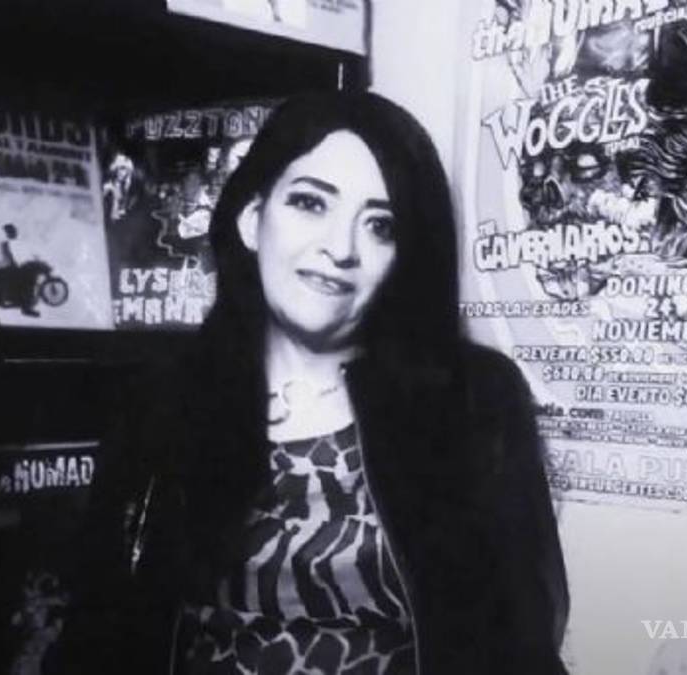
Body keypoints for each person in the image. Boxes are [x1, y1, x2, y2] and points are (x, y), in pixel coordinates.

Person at [111, 91, 569, 674]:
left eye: (380, 225)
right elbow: (102, 629)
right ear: (252, 219)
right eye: (310, 203)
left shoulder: (473, 401)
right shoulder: (165, 401)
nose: (340, 249)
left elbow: (521, 644)